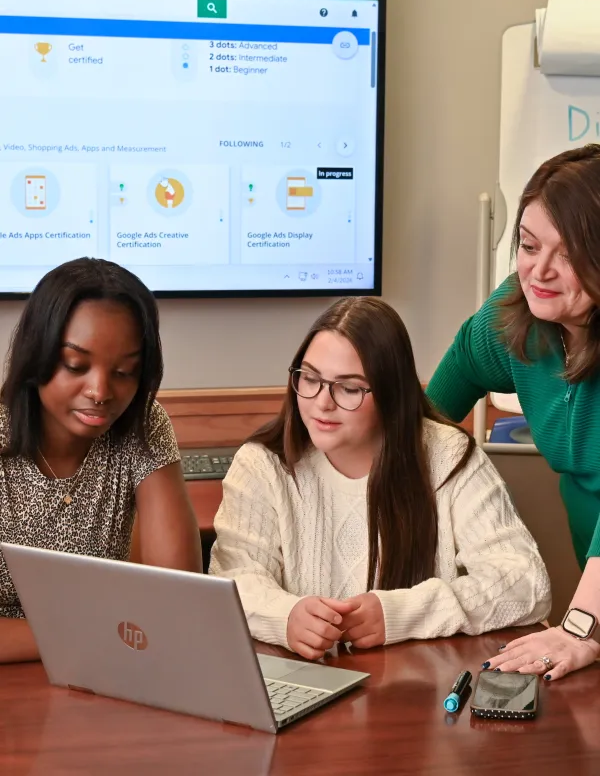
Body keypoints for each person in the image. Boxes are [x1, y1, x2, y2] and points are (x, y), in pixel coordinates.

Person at [209, 297, 550, 661]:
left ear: (391, 394)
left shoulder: (447, 455)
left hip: (415, 690)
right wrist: (285, 616)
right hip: (301, 684)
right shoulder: (261, 464)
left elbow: (525, 582)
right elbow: (232, 581)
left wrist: (400, 613)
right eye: (309, 378)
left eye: (349, 388)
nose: (322, 402)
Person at [426, 144, 600, 681]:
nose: (539, 271)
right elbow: (428, 417)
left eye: (568, 255)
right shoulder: (516, 314)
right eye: (528, 245)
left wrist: (580, 627)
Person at [0, 257, 202, 663]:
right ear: (37, 354)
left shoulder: (141, 423)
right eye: (76, 365)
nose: (100, 391)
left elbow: (180, 598)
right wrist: (91, 632)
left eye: (125, 371)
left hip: (105, 668)